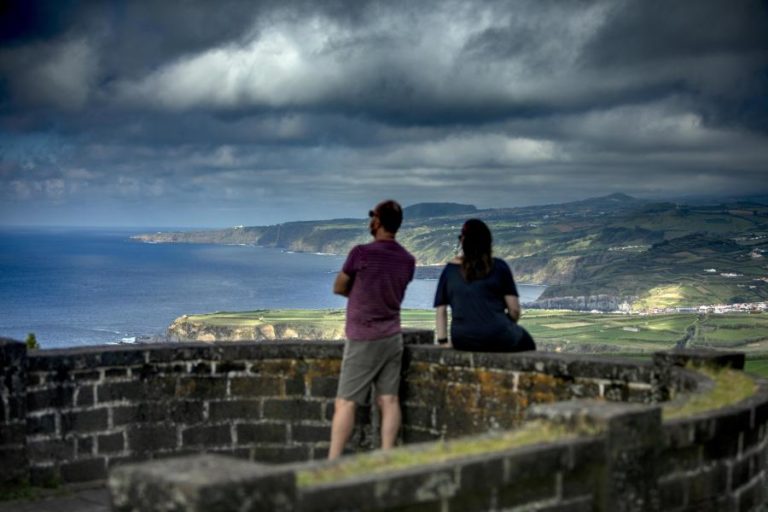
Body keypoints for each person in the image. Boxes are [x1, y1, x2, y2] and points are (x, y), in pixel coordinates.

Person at [328, 199, 416, 459]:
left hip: (363, 337)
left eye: (372, 218)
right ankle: (387, 459)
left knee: (345, 402)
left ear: (377, 222)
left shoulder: (361, 253)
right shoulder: (407, 260)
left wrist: (360, 297)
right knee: (389, 400)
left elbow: (339, 286)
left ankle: (332, 464)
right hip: (392, 337)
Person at [434, 218, 536, 352]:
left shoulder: (450, 270)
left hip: (462, 339)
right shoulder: (499, 267)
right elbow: (514, 310)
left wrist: (443, 341)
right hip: (498, 335)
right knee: (528, 344)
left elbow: (441, 310)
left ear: (462, 241)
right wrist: (502, 326)